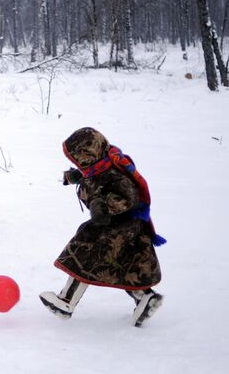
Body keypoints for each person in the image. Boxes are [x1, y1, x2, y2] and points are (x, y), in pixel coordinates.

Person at [39, 127, 165, 327]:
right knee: (122, 265)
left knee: (85, 259)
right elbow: (91, 178)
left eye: (77, 159)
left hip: (114, 230)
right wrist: (75, 177)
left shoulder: (112, 174)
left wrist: (105, 206)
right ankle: (145, 299)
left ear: (88, 155)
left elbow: (129, 196)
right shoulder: (99, 166)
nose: (77, 163)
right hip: (118, 230)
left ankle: (66, 302)